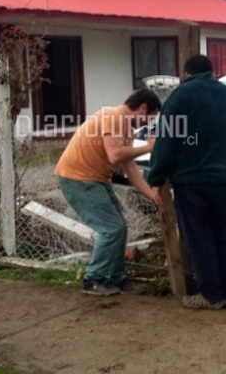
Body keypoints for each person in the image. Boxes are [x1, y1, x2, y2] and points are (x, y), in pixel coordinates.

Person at [147, 55, 226, 310]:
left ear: (186, 73)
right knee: (224, 235)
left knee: (200, 238)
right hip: (225, 178)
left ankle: (211, 296)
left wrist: (155, 178)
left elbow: (167, 141)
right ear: (211, 72)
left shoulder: (181, 96)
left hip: (193, 179)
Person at [55, 89, 162, 296]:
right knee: (111, 229)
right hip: (77, 178)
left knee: (119, 228)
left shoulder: (127, 130)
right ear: (142, 108)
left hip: (95, 180)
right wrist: (149, 147)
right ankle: (94, 279)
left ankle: (115, 279)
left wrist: (152, 195)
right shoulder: (112, 116)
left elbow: (129, 168)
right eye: (151, 118)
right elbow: (115, 156)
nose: (149, 124)